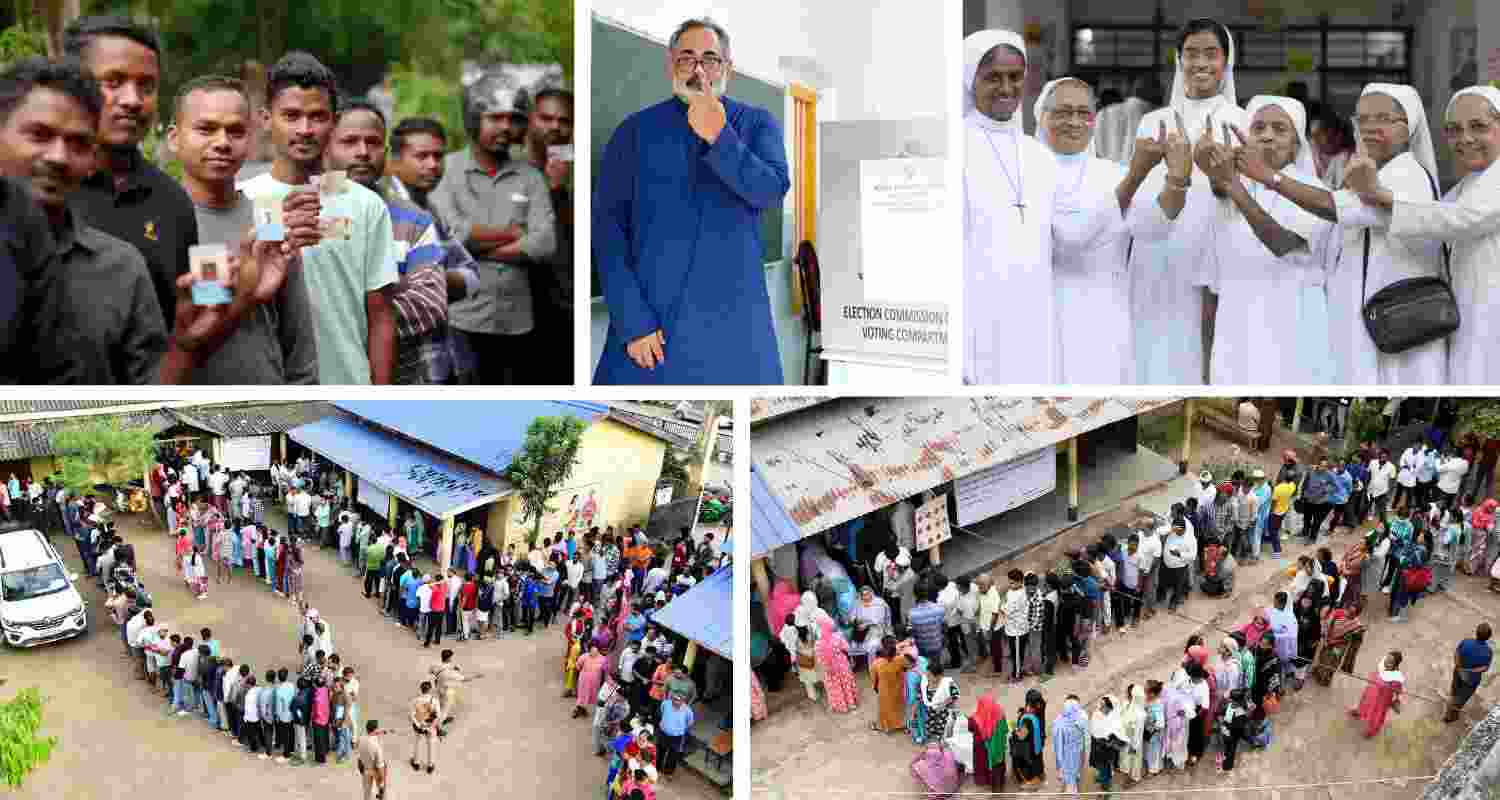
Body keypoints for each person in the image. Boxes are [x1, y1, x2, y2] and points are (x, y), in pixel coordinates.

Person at [594, 18, 785, 385]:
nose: (699, 69)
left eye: (710, 59)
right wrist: (632, 321)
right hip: (652, 327)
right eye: (687, 58)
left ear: (727, 67)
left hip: (736, 326)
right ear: (671, 65)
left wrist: (719, 136)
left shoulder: (758, 123)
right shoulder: (633, 131)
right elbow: (608, 231)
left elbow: (771, 192)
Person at [238, 51, 400, 385]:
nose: (305, 129)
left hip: (347, 385)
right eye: (291, 116)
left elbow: (381, 314)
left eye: (317, 116)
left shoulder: (365, 205)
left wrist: (379, 395)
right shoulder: (242, 199)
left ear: (334, 121)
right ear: (266, 119)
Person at [1033, 76, 1189, 384]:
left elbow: (1155, 227)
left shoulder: (1111, 173)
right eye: (1063, 112)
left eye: (1084, 113)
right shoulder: (1027, 173)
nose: (1074, 122)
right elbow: (1071, 238)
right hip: (1044, 313)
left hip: (1104, 315)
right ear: (1041, 116)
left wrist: (1178, 178)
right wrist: (1137, 173)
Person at [1344, 86, 1500, 383]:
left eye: (1478, 127)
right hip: (1467, 318)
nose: (1465, 138)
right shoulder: (1463, 188)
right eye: (1454, 130)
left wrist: (1381, 196)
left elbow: (1460, 219)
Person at [1129, 18, 1251, 384]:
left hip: (1218, 247)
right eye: (1191, 53)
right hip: (1159, 253)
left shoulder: (1243, 122)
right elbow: (1137, 192)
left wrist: (1218, 177)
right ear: (1178, 59)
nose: (1200, 63)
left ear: (1226, 61)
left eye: (1211, 54)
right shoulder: (1153, 122)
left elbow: (1250, 195)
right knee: (1158, 350)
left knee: (1210, 354)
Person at [63, 16, 197, 333]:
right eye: (113, 82)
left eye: (146, 86)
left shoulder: (173, 202)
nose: (133, 100)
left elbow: (184, 326)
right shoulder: (36, 194)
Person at [329, 104, 480, 385]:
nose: (362, 152)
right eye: (349, 141)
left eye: (373, 142)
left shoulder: (414, 217)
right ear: (327, 147)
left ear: (385, 153)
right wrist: (393, 286)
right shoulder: (299, 208)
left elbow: (430, 303)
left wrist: (347, 313)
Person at [429, 71, 555, 386]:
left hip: (517, 321)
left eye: (514, 119)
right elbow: (449, 235)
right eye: (495, 118)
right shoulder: (446, 170)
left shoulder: (531, 177)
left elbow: (544, 244)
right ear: (474, 119)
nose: (505, 127)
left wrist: (476, 249)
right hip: (461, 318)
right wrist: (515, 235)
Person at [1201, 94, 1332, 383]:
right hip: (1235, 336)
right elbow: (1212, 287)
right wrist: (1206, 366)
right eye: (1258, 128)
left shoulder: (1312, 191)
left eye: (1280, 129)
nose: (1267, 136)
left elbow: (1282, 243)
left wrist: (1235, 187)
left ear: (1296, 143)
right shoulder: (1226, 192)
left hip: (1293, 331)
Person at [962, 28, 1059, 383]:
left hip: (1032, 315)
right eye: (993, 77)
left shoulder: (1040, 156)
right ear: (970, 80)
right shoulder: (955, 147)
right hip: (976, 317)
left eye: (1015, 77)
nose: (1006, 88)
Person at [1350, 651, 1405, 737]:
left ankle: (1372, 730)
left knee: (1376, 715)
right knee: (1365, 703)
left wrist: (1397, 700)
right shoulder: (1382, 666)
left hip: (1381, 701)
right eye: (1387, 659)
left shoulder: (1396, 677)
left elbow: (1398, 690)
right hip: (1371, 692)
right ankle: (1359, 712)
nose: (1386, 662)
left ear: (1395, 665)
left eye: (1390, 662)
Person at [1448, 623, 1493, 722]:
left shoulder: (1466, 642)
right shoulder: (1488, 652)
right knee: (1462, 697)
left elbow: (1456, 653)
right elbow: (1485, 668)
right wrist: (1470, 671)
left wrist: (1459, 666)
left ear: (1476, 632)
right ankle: (1451, 715)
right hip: (1471, 680)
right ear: (1488, 637)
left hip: (1458, 672)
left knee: (1455, 688)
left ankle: (1452, 701)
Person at [815, 615, 858, 713]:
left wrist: (826, 664)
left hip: (829, 667)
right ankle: (851, 704)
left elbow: (819, 658)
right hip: (842, 663)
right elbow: (847, 648)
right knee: (846, 683)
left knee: (835, 686)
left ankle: (840, 706)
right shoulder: (838, 636)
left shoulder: (818, 643)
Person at [968, 692, 1009, 791]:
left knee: (982, 764)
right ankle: (999, 783)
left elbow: (970, 728)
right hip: (998, 747)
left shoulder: (975, 719)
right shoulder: (1001, 714)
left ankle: (984, 781)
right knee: (998, 764)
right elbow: (1005, 729)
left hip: (982, 747)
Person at [1052, 695, 1089, 793]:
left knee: (1070, 769)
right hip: (1075, 750)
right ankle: (1072, 783)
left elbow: (1057, 740)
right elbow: (1086, 734)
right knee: (1073, 768)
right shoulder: (1080, 716)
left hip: (1069, 751)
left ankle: (1071, 787)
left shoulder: (1061, 720)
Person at [657, 692, 694, 778]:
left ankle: (668, 772)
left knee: (673, 755)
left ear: (683, 701)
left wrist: (679, 729)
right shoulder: (665, 703)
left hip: (676, 737)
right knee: (660, 752)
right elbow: (662, 711)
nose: (676, 702)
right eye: (674, 699)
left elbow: (689, 723)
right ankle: (657, 769)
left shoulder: (688, 711)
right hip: (663, 733)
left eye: (679, 700)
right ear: (672, 698)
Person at [408, 681, 440, 774]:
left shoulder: (415, 700)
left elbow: (412, 715)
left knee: (418, 744)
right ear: (430, 689)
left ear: (421, 689)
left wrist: (418, 726)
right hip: (430, 726)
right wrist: (432, 725)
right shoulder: (434, 700)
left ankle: (416, 763)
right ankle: (430, 765)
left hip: (419, 725)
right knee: (431, 745)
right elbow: (438, 715)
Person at [357, 720, 388, 800]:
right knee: (381, 791)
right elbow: (380, 765)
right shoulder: (376, 747)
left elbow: (359, 755)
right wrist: (382, 779)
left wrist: (382, 732)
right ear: (375, 730)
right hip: (375, 770)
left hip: (365, 768)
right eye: (377, 728)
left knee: (367, 791)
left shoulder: (361, 738)